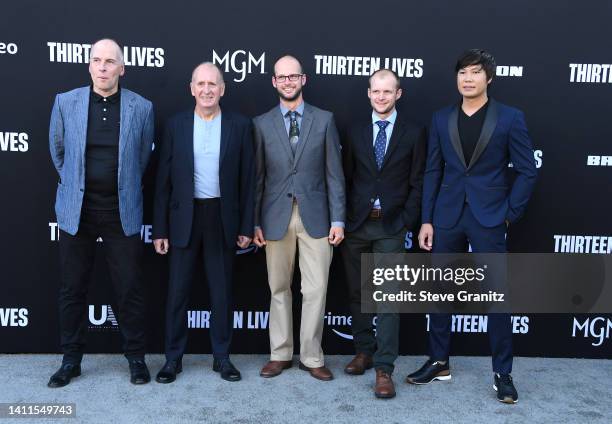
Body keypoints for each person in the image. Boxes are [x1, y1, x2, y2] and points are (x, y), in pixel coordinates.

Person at [407, 49, 537, 404]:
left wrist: (510, 213)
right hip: (447, 216)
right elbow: (433, 170)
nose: (468, 78)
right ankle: (439, 361)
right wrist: (428, 219)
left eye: (475, 72)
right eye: (463, 72)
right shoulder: (441, 118)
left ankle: (503, 374)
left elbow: (528, 170)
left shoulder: (509, 118)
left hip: (490, 216)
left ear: (489, 79)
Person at [48, 38, 154, 387]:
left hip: (120, 209)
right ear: (89, 66)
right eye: (98, 60)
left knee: (130, 288)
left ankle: (136, 359)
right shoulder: (66, 103)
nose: (104, 67)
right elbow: (58, 152)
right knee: (72, 288)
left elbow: (141, 159)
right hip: (77, 210)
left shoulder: (142, 107)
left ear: (122, 68)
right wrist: (77, 184)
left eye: (111, 61)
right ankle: (70, 360)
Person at [152, 62, 254, 383]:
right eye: (201, 84)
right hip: (184, 217)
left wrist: (246, 226)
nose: (207, 90)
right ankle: (172, 359)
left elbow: (248, 181)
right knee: (178, 292)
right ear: (191, 88)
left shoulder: (239, 125)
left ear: (223, 89)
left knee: (221, 293)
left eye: (213, 84)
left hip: (222, 217)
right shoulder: (175, 125)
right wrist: (160, 228)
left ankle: (222, 357)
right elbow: (163, 181)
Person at [253, 55, 345, 381]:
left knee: (316, 289)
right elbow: (258, 179)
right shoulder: (261, 124)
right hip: (275, 217)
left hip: (317, 218)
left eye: (294, 76)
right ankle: (279, 353)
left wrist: (339, 220)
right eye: (282, 77)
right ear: (274, 82)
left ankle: (311, 355)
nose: (288, 82)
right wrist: (254, 222)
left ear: (303, 80)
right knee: (278, 288)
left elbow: (335, 175)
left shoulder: (324, 120)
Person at [341, 69, 426, 398]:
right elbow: (346, 178)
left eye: (387, 92)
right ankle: (364, 352)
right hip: (357, 224)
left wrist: (406, 219)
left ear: (398, 94)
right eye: (376, 91)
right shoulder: (354, 131)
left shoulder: (414, 132)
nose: (381, 97)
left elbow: (418, 181)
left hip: (392, 225)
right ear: (368, 93)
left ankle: (384, 368)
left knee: (388, 298)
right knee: (359, 293)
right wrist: (347, 218)